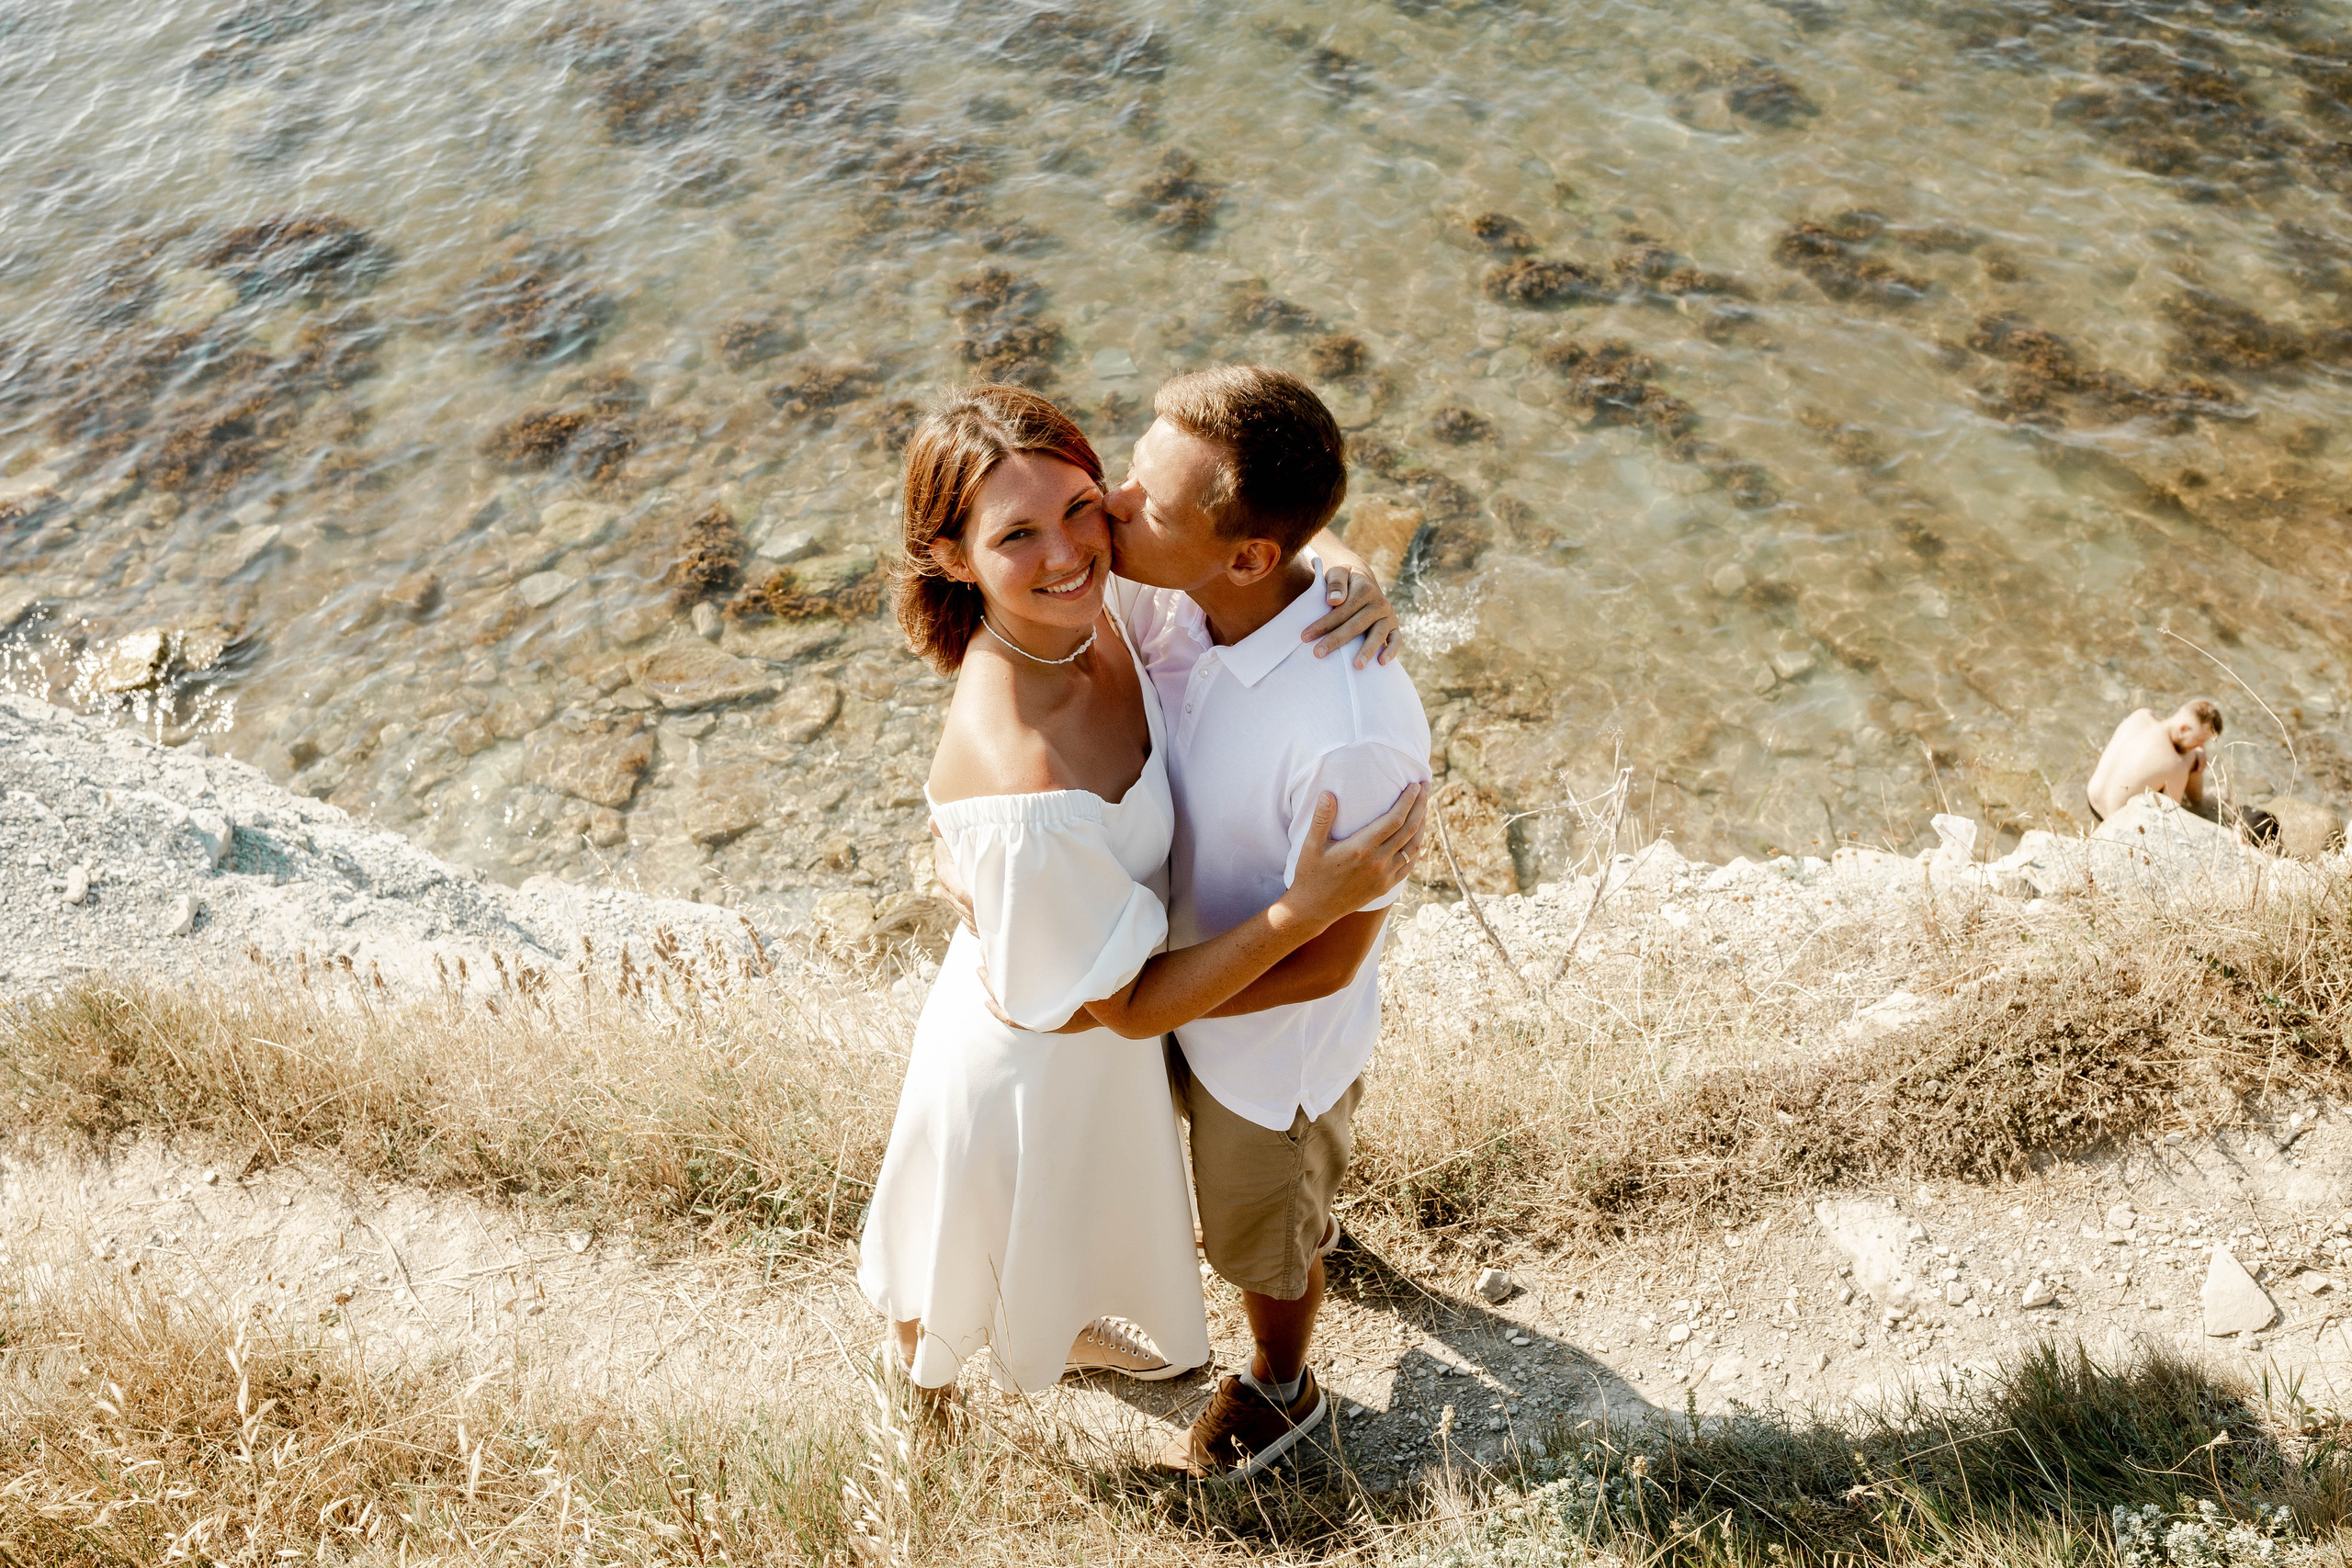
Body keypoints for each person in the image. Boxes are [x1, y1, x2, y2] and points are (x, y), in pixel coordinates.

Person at [855, 385, 1428, 1402]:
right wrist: (1300, 908)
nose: (1089, 532)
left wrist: (1347, 568)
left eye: (1089, 503)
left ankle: (1200, 1370)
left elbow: (1259, 524)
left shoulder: (1121, 601)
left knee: (1144, 1226)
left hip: (1177, 1030)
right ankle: (925, 1427)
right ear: (953, 557)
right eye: (1019, 532)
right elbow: (1117, 1004)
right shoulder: (1051, 722)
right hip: (1056, 1034)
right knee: (979, 1239)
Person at [1094, 366, 1434, 1481]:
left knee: (1255, 1242)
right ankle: (1314, 1222)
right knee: (1262, 1210)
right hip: (1181, 993)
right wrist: (1346, 557)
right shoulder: (1172, 586)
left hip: (1262, 1057)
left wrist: (1165, 998)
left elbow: (1335, 954)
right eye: (1129, 471)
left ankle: (1282, 1385)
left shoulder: (1347, 732)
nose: (1109, 501)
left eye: (1142, 497)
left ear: (1244, 556)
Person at [2086, 698, 2222, 823]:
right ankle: (2200, 803)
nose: (2201, 747)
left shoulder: (2140, 715)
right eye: (2200, 740)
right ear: (2184, 729)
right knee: (2194, 760)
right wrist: (2195, 760)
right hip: (2112, 819)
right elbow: (2171, 817)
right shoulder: (2175, 765)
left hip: (2091, 799)